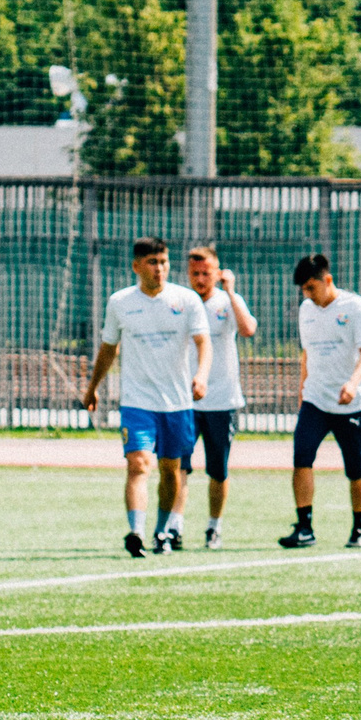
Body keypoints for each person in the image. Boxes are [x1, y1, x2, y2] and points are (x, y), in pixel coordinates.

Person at [84, 238, 212, 557]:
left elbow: (203, 343)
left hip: (177, 404)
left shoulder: (186, 300)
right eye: (153, 262)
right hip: (137, 403)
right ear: (136, 266)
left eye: (164, 262)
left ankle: (162, 531)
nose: (160, 269)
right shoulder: (120, 302)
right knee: (139, 465)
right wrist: (92, 387)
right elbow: (108, 348)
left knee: (171, 471)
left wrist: (201, 376)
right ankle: (136, 533)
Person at [280, 252, 361, 550]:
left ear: (328, 280)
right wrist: (302, 389)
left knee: (355, 469)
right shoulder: (306, 310)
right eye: (303, 290)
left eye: (311, 287)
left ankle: (359, 530)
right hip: (316, 400)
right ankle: (305, 527)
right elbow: (307, 352)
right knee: (301, 458)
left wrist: (352, 382)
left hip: (351, 401)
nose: (307, 295)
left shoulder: (356, 307)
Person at [185, 246, 256, 548]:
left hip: (221, 400)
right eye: (195, 274)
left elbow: (248, 329)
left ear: (217, 273)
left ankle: (214, 527)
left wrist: (230, 292)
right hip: (184, 400)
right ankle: (173, 526)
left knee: (218, 470)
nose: (201, 279)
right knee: (177, 466)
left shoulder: (228, 301)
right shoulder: (182, 302)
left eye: (206, 273)